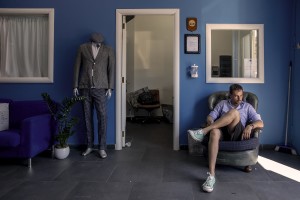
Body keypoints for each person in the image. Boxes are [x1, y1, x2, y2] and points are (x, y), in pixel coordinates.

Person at [188, 84, 263, 193]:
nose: (239, 98)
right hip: (223, 132)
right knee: (214, 132)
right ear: (230, 96)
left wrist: (250, 126)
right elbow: (211, 116)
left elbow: (261, 123)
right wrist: (210, 120)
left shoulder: (247, 106)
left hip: (238, 134)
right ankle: (211, 176)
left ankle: (203, 131)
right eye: (236, 96)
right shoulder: (222, 104)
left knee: (234, 112)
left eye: (241, 96)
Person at [73, 33, 115, 158]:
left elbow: (111, 69)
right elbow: (76, 67)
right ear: (91, 41)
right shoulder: (82, 48)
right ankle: (89, 145)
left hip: (101, 88)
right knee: (87, 117)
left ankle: (102, 147)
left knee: (103, 116)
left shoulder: (108, 50)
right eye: (96, 43)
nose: (99, 44)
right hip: (84, 87)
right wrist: (75, 85)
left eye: (100, 43)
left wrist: (110, 87)